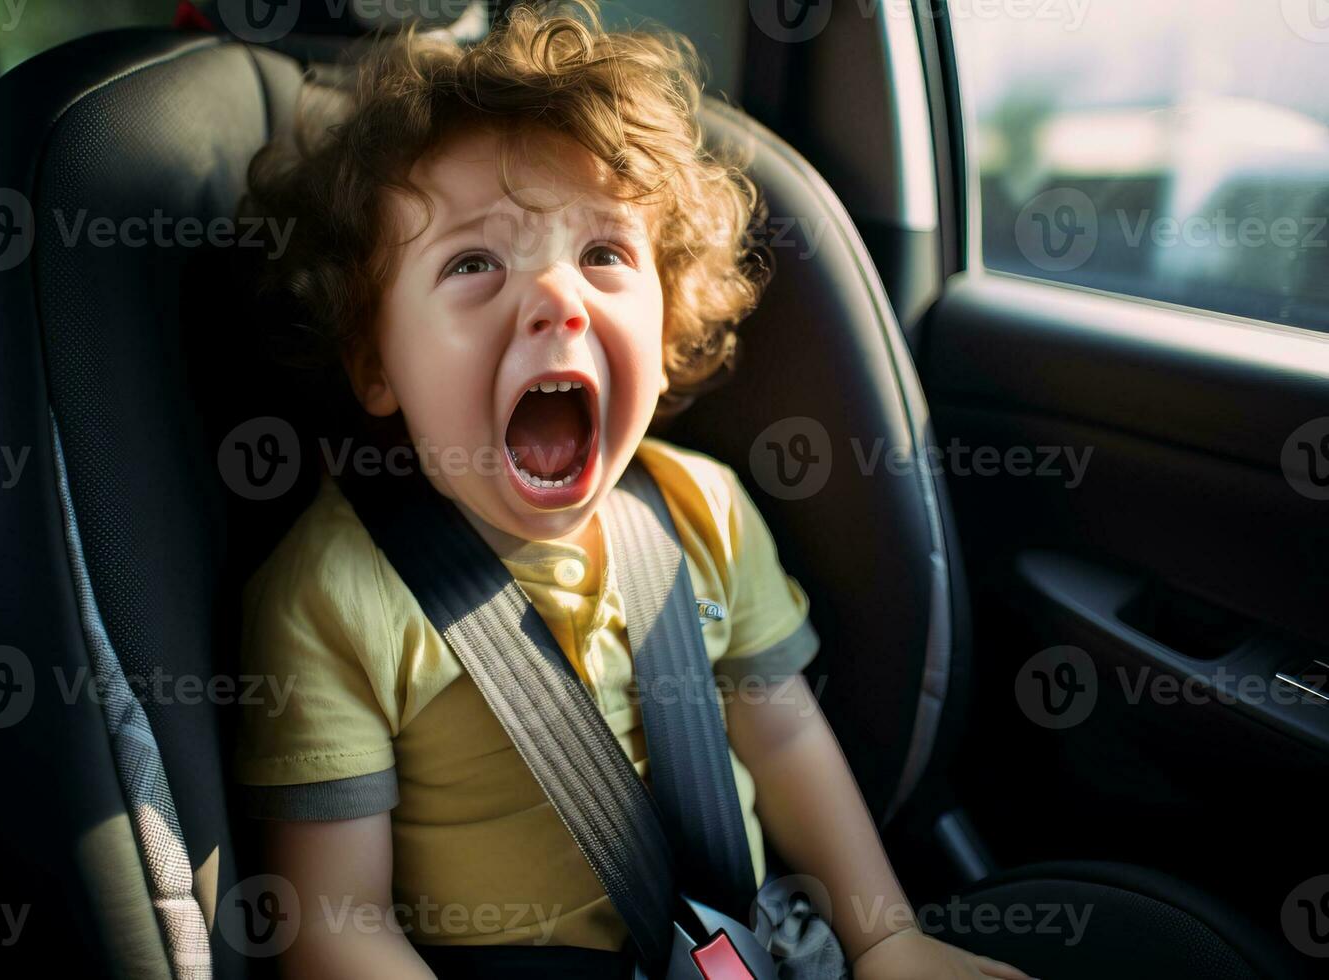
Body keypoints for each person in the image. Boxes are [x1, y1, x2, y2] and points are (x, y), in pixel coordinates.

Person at [233, 4, 1031, 978]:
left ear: (665, 329)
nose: (556, 297)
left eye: (604, 254)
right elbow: (336, 923)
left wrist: (886, 935)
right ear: (376, 361)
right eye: (475, 263)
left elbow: (782, 737)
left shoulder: (706, 510)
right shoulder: (335, 597)